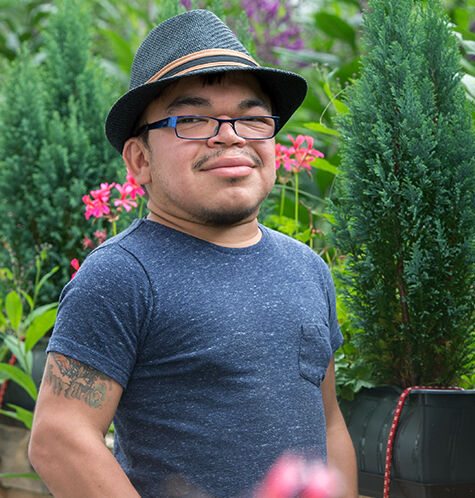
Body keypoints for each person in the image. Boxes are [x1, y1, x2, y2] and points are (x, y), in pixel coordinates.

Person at [28, 8, 357, 498]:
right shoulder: (123, 276)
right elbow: (60, 438)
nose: (230, 134)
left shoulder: (307, 268)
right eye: (195, 118)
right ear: (141, 160)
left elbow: (329, 423)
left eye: (251, 118)